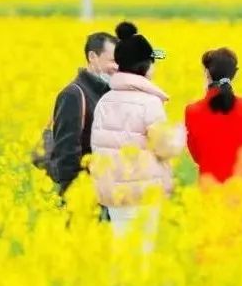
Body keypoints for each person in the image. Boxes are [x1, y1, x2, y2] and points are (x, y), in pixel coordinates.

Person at [91, 22, 183, 238]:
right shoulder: (148, 102)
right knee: (141, 255)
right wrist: (180, 134)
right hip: (141, 193)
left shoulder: (105, 100)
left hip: (112, 192)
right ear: (146, 65)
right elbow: (164, 147)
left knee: (122, 251)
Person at [185, 48, 242, 252]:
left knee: (216, 258)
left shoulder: (193, 111)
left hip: (212, 194)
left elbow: (197, 156)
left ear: (207, 74)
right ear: (235, 74)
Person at [49, 32, 118, 194]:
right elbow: (66, 156)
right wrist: (79, 195)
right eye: (113, 61)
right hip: (83, 197)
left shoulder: (108, 94)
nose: (117, 67)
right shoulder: (73, 94)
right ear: (93, 57)